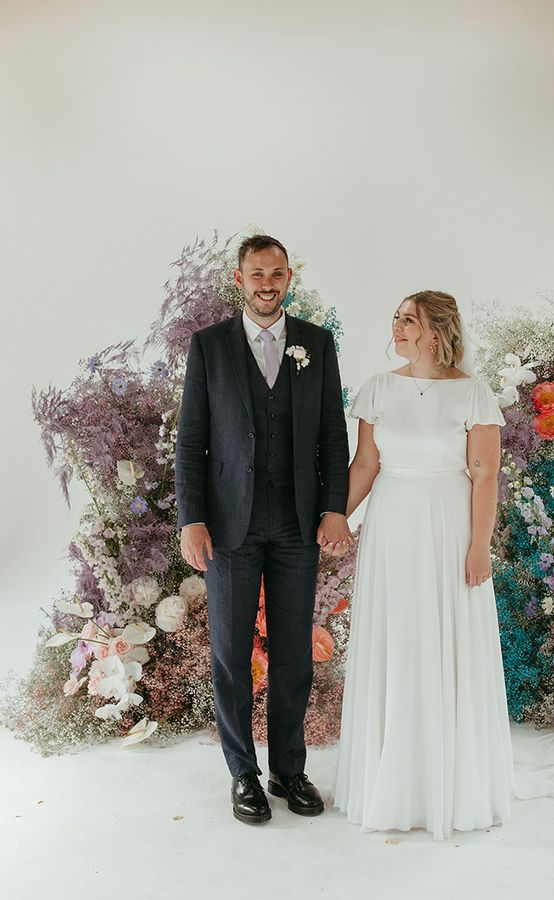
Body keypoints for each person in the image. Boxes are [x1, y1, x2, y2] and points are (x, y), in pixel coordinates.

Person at [175, 234, 351, 825]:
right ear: (239, 278)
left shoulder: (317, 344)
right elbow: (191, 441)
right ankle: (243, 773)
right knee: (229, 652)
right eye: (257, 273)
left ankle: (288, 769)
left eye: (277, 273)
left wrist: (335, 509)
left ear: (289, 277)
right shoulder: (209, 347)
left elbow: (332, 435)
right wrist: (192, 518)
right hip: (229, 526)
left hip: (298, 523)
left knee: (294, 654)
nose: (267, 283)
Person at [332, 290, 514, 840]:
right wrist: (335, 517)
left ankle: (450, 783)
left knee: (445, 641)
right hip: (391, 528)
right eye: (396, 317)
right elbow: (366, 463)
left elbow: (484, 475)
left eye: (408, 319)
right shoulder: (379, 388)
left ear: (436, 332)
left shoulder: (473, 394)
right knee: (398, 640)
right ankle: (393, 776)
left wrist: (478, 545)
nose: (398, 326)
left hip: (446, 528)